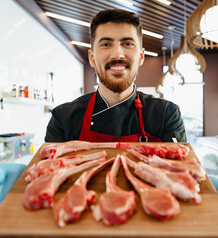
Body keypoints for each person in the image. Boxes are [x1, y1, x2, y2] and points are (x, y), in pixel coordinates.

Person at [45, 9, 186, 143]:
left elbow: (179, 166)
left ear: (141, 57)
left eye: (127, 44)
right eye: (106, 44)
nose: (117, 54)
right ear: (92, 57)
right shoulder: (63, 118)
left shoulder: (166, 115)